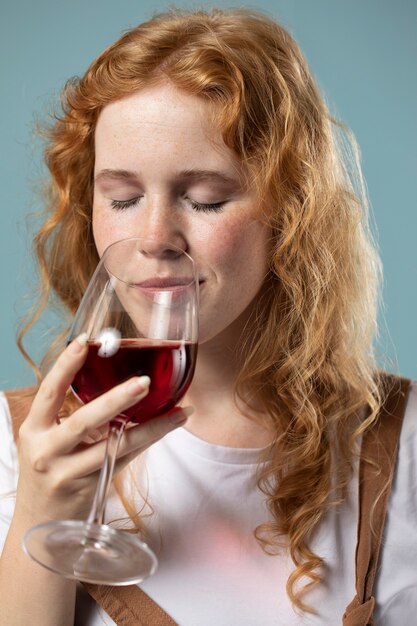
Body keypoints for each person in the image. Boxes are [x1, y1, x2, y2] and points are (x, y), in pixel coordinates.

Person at [0, 7, 416, 626]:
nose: (154, 237)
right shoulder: (15, 451)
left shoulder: (403, 448)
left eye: (205, 200)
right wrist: (40, 513)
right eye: (123, 197)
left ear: (291, 213)